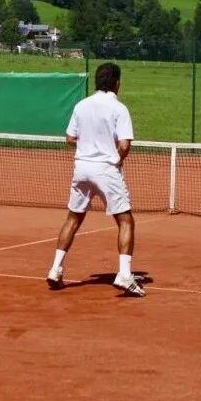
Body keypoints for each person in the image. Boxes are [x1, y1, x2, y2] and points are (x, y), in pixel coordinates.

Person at [46, 62, 146, 297]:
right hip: (105, 169)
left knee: (73, 218)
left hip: (81, 168)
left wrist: (89, 143)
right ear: (117, 83)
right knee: (126, 221)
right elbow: (124, 144)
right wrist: (116, 158)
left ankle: (55, 268)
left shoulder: (81, 105)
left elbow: (70, 138)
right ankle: (124, 275)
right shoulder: (119, 108)